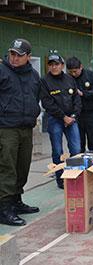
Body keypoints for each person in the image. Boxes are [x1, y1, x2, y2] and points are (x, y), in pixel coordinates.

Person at [0, 38, 41, 226]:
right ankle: (4, 208)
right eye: (12, 54)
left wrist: (35, 113)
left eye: (19, 55)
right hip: (6, 127)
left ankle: (16, 200)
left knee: (22, 166)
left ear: (28, 57)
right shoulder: (2, 71)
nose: (14, 58)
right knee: (7, 167)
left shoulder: (33, 75)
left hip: (26, 126)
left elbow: (35, 97)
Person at [40, 51, 82, 189]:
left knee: (76, 149)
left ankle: (75, 177)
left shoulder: (70, 80)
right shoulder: (45, 81)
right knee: (57, 151)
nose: (54, 67)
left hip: (72, 119)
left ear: (62, 65)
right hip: (55, 119)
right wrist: (63, 117)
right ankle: (60, 179)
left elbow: (76, 99)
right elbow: (47, 103)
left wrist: (73, 116)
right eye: (51, 64)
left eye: (56, 64)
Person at [66, 56, 93, 152]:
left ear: (81, 67)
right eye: (71, 72)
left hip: (91, 113)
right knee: (78, 144)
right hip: (76, 115)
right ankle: (80, 164)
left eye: (75, 71)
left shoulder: (91, 76)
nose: (73, 74)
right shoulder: (67, 79)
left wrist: (83, 93)